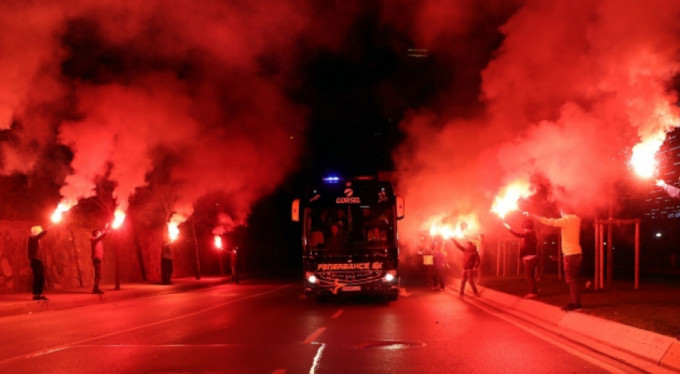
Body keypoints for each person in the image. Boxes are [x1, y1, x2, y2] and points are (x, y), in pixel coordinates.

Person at [525, 209, 582, 311]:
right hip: (576, 254)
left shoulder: (567, 220)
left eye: (561, 211)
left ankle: (575, 304)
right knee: (573, 280)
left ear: (564, 211)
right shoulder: (575, 220)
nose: (560, 213)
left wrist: (533, 215)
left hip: (570, 254)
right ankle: (575, 302)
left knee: (571, 280)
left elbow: (549, 221)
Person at [504, 219, 539, 298]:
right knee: (531, 276)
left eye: (523, 225)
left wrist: (509, 228)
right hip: (530, 258)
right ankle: (534, 292)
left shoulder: (529, 232)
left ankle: (532, 293)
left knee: (529, 276)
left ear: (526, 226)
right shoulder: (530, 233)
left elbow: (518, 234)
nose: (522, 227)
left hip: (530, 258)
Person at [28, 225, 49, 301]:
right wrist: (46, 230)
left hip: (39, 260)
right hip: (35, 260)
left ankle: (40, 294)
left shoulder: (37, 240)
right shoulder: (32, 238)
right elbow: (39, 236)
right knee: (37, 277)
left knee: (41, 278)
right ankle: (35, 294)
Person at [91, 226, 111, 294]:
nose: (99, 233)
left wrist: (106, 231)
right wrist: (104, 232)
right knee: (98, 274)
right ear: (95, 234)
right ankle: (95, 288)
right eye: (98, 232)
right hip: (96, 258)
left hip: (98, 258)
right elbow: (101, 237)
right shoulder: (93, 239)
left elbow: (102, 236)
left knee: (98, 274)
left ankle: (96, 288)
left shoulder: (98, 240)